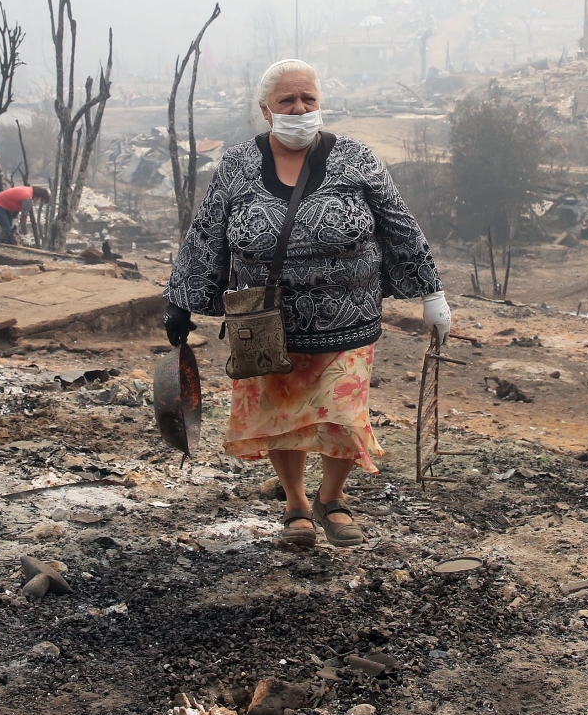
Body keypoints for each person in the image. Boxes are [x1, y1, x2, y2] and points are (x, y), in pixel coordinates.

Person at [165, 59, 451, 548]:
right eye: (287, 101)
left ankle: (333, 497)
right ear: (265, 110)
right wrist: (182, 303)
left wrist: (433, 293)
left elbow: (399, 224)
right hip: (266, 324)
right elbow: (207, 233)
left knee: (342, 411)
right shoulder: (236, 164)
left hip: (349, 318)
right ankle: (296, 504)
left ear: (320, 103)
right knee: (282, 415)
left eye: (308, 100)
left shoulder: (357, 158)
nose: (299, 108)